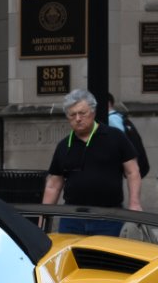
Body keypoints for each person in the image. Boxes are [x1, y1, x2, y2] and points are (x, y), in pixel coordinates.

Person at [43, 89, 142, 236]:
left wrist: (134, 203)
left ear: (93, 112)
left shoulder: (115, 137)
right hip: (72, 219)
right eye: (72, 115)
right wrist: (43, 218)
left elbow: (132, 171)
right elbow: (53, 185)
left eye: (82, 113)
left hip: (109, 218)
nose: (77, 118)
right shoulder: (64, 146)